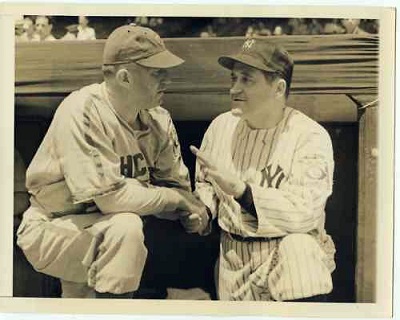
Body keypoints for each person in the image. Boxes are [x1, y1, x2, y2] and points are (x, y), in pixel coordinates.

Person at [17, 24, 206, 299]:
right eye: (156, 73)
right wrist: (175, 200)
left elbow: (177, 192)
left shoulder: (158, 119)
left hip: (101, 228)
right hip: (52, 227)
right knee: (125, 227)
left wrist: (191, 212)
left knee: (84, 294)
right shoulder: (82, 109)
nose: (166, 80)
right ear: (125, 77)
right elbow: (113, 200)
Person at [190, 38, 336, 301]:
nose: (234, 88)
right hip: (234, 261)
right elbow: (206, 184)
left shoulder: (309, 136)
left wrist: (242, 190)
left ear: (278, 88)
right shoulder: (221, 127)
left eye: (247, 80)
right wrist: (203, 210)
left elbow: (305, 212)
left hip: (286, 257)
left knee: (300, 247)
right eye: (233, 78)